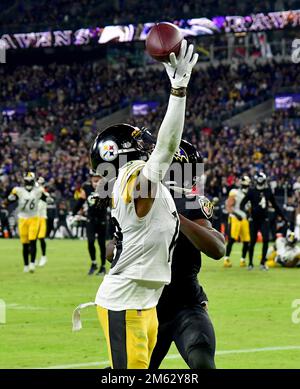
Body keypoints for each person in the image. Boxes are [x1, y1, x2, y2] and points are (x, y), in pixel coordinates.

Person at [89, 40, 198, 369]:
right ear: (120, 151)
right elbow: (165, 149)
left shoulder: (139, 181)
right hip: (125, 304)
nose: (144, 141)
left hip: (144, 302)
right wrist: (178, 91)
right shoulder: (133, 181)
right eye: (137, 139)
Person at [148, 140, 225, 369]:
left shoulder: (191, 204)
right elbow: (111, 250)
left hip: (186, 304)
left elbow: (217, 248)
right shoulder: (140, 202)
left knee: (202, 363)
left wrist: (174, 216)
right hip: (146, 306)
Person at [240, 172, 287, 270]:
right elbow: (242, 204)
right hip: (253, 219)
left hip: (264, 219)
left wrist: (283, 217)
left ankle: (262, 263)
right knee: (252, 241)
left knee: (265, 239)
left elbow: (275, 205)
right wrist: (247, 213)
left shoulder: (267, 191)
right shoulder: (252, 191)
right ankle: (250, 263)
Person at [8, 172, 51, 273]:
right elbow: (10, 199)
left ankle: (32, 263)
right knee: (25, 244)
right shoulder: (19, 190)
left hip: (33, 217)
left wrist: (48, 198)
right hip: (22, 218)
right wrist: (9, 199)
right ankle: (26, 265)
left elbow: (46, 198)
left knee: (33, 241)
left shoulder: (38, 190)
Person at [73, 171, 107, 275]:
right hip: (91, 219)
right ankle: (93, 263)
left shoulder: (106, 188)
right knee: (91, 241)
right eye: (94, 178)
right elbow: (80, 201)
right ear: (91, 178)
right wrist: (73, 212)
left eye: (98, 178)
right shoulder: (86, 188)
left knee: (102, 244)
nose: (96, 180)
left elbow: (110, 202)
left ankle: (103, 266)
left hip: (102, 219)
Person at [223, 176, 251, 268]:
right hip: (235, 218)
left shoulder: (249, 193)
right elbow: (229, 206)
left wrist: (249, 213)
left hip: (244, 218)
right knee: (232, 239)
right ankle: (226, 259)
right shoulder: (234, 192)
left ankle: (243, 260)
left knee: (246, 240)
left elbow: (249, 207)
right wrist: (236, 214)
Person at [37, 177, 48, 267]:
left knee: (41, 238)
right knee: (31, 239)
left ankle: (43, 256)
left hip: (42, 218)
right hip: (33, 218)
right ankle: (34, 258)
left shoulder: (44, 194)